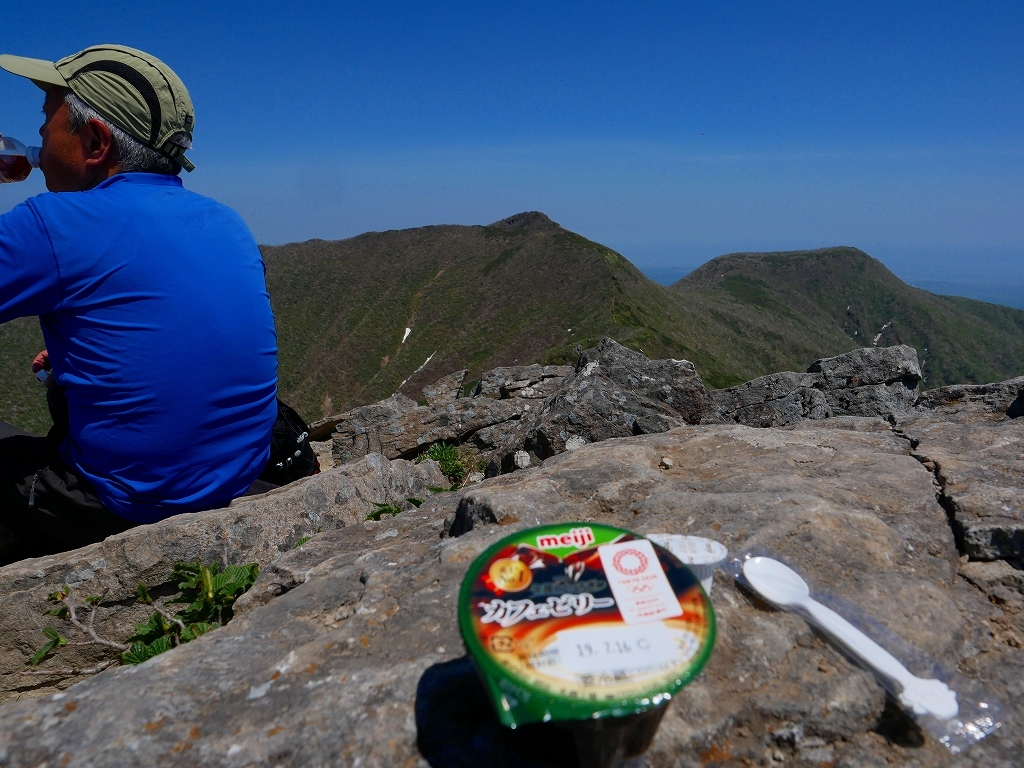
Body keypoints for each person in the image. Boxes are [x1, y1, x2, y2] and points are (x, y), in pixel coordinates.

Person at [0, 45, 279, 564]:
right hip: (233, 477)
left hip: (127, 501)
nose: (37, 140)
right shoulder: (228, 222)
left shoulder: (54, 223)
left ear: (95, 140)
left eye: (46, 120)